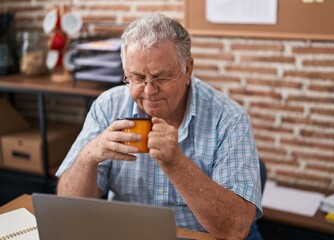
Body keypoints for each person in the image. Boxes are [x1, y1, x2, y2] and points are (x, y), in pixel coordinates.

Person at [56, 13, 262, 240]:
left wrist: (175, 163)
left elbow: (235, 228)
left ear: (187, 70)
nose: (148, 91)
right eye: (136, 78)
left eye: (161, 78)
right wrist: (88, 156)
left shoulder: (229, 119)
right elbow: (68, 208)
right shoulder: (108, 106)